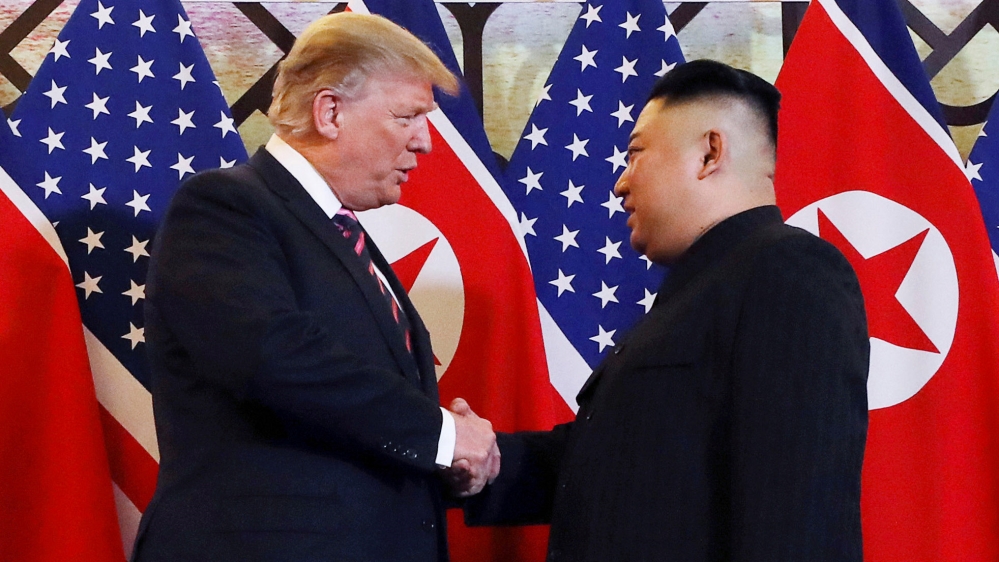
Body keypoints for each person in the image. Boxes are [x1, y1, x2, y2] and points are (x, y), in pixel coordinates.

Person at [462, 59, 870, 561]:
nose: (620, 185)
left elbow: (799, 509)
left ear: (709, 153)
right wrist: (484, 460)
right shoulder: (703, 287)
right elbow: (614, 466)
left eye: (635, 155)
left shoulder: (787, 270)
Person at [132, 13, 498, 562]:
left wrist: (449, 458)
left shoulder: (341, 232)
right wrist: (442, 436)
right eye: (407, 117)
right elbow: (276, 357)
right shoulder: (224, 207)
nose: (424, 143)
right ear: (329, 112)